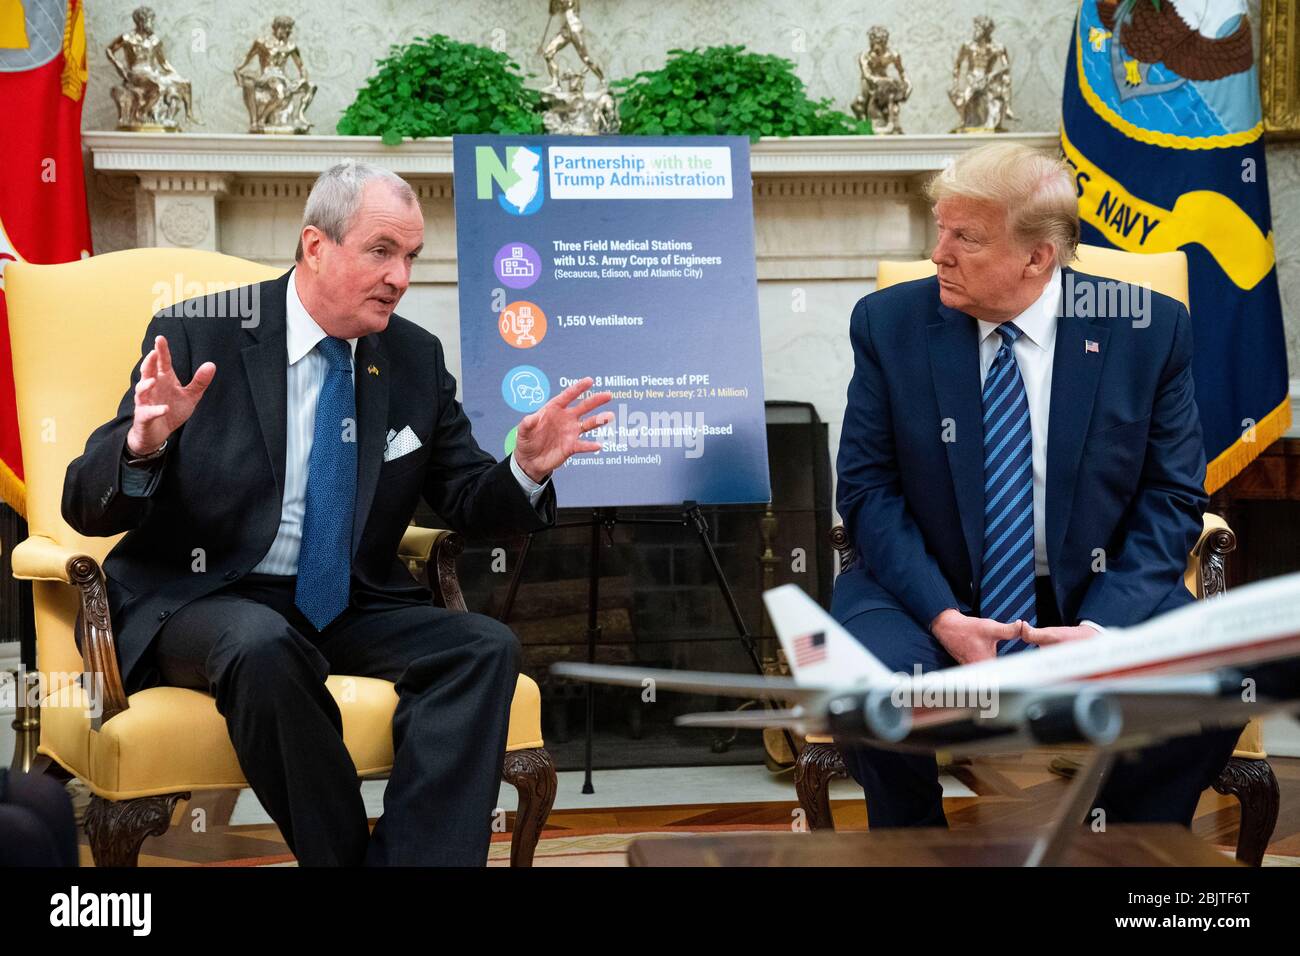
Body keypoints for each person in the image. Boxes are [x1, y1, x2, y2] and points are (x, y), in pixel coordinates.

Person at [62, 160, 613, 866]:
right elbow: (84, 502)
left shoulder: (412, 356)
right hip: (205, 594)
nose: (401, 277)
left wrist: (528, 468)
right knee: (260, 644)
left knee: (484, 648)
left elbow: (469, 497)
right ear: (316, 246)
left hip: (345, 599)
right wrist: (144, 441)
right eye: (382, 251)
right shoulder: (201, 333)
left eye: (411, 256)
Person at [832, 142, 1241, 829]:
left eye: (965, 237)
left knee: (1215, 687)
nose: (939, 253)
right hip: (930, 587)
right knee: (866, 683)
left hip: (1092, 589)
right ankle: (915, 852)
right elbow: (869, 489)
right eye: (940, 229)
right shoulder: (890, 323)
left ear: (1038, 256)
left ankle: (1114, 847)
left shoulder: (1147, 331)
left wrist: (1102, 628)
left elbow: (1172, 496)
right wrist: (942, 616)